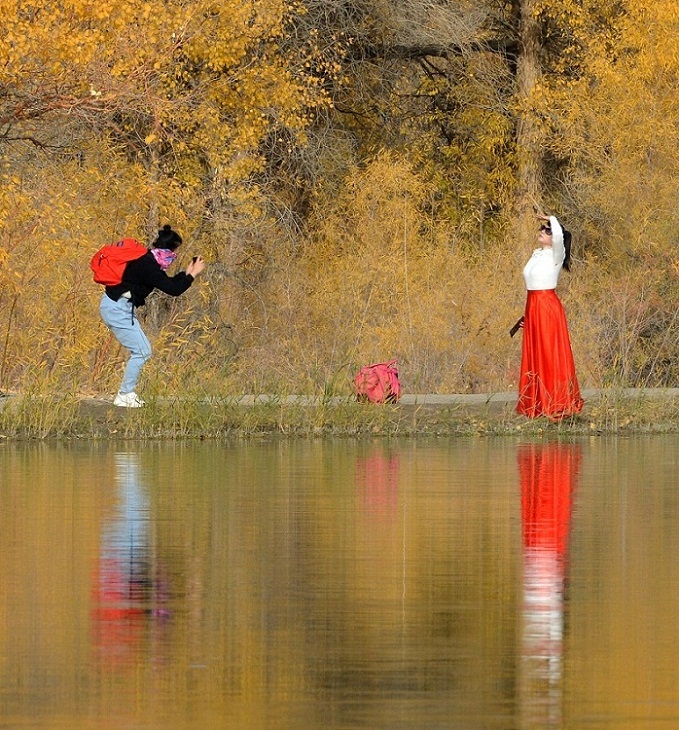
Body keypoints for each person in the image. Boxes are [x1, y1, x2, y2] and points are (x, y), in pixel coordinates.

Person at [99, 224, 206, 407]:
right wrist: (193, 275)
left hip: (118, 308)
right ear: (169, 250)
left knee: (142, 350)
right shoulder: (149, 266)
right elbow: (173, 289)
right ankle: (125, 395)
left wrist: (186, 274)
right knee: (142, 351)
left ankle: (126, 393)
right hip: (117, 309)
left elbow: (168, 283)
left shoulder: (147, 259)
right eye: (175, 252)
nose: (175, 256)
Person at [516, 214, 583, 419]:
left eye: (546, 230)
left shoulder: (557, 254)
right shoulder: (537, 254)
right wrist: (527, 315)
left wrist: (551, 218)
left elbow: (560, 238)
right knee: (535, 351)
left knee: (549, 351)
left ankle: (556, 403)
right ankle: (536, 404)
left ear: (554, 237)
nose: (541, 232)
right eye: (542, 229)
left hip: (546, 306)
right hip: (533, 305)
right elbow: (532, 284)